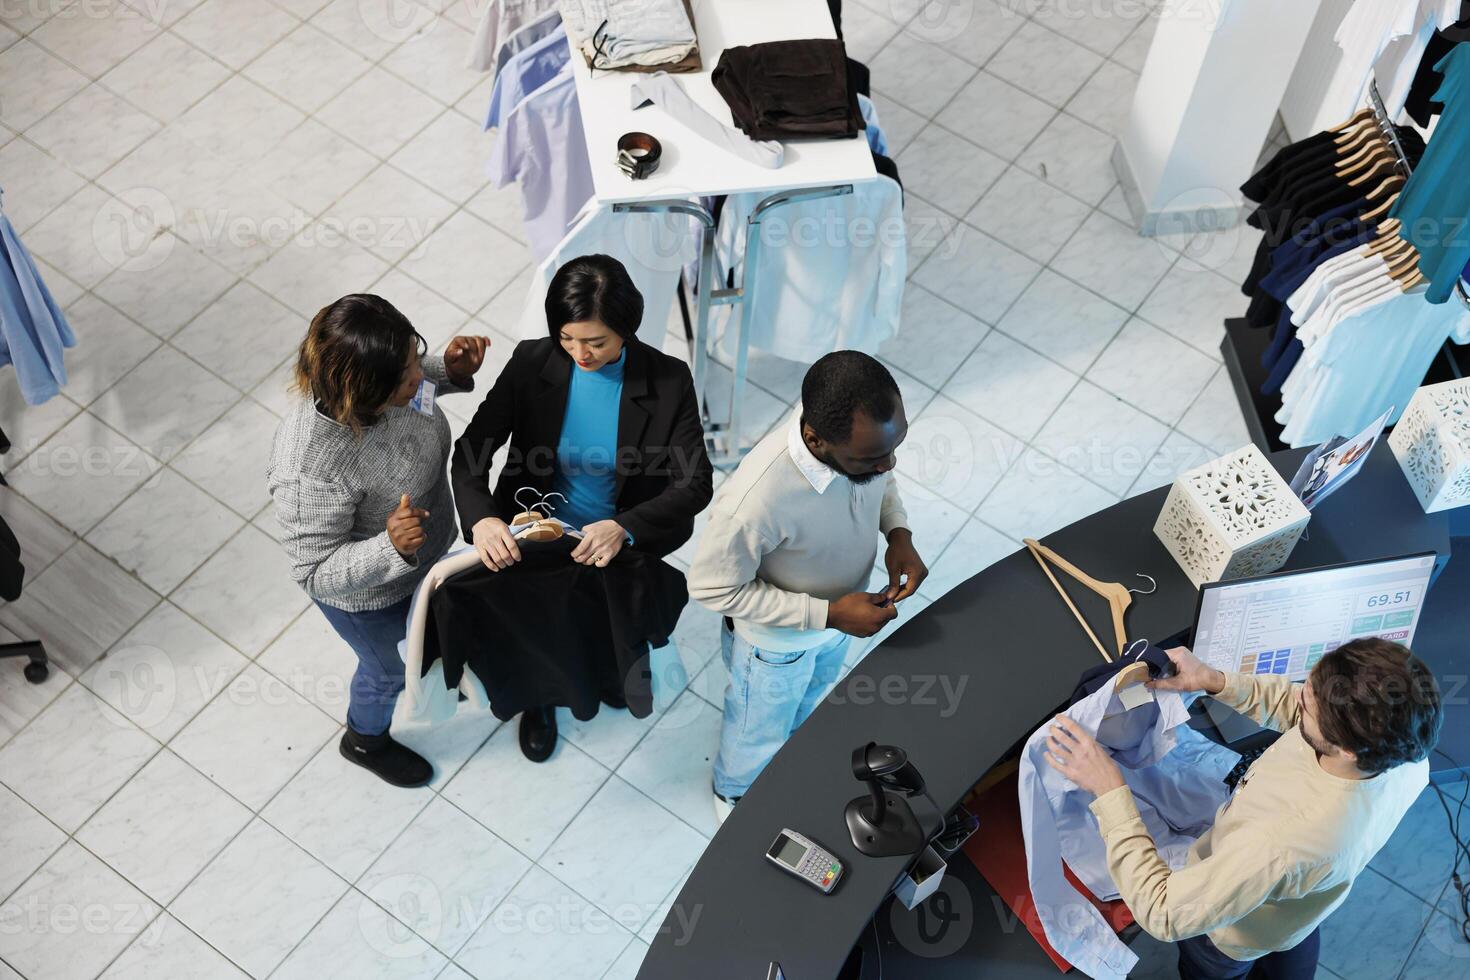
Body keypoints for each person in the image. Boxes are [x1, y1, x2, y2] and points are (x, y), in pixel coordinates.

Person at [1045, 637, 1442, 980]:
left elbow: (1164, 912)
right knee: (1290, 934)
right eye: (1310, 685)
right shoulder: (1406, 755)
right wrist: (1215, 680)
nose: (1298, 694)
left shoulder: (1280, 844)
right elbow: (1295, 708)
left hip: (1231, 934)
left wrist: (1109, 790)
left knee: (1213, 967)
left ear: (1346, 749)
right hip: (1293, 907)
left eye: (1309, 705)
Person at [451, 253, 712, 761]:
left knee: (609, 625)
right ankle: (541, 702)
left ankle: (611, 677)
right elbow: (470, 452)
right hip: (535, 532)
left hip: (613, 540)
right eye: (568, 339)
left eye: (596, 342)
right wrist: (483, 518)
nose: (580, 353)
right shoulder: (533, 362)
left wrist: (625, 526)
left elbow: (695, 482)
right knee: (539, 629)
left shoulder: (667, 379)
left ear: (627, 329)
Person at [688, 351, 928, 823]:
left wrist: (898, 533)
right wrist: (830, 614)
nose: (889, 463)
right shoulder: (754, 502)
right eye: (872, 458)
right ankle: (733, 794)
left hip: (840, 623)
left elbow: (883, 482)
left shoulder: (858, 446)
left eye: (894, 448)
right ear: (816, 441)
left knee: (812, 703)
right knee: (755, 730)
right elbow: (713, 589)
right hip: (776, 647)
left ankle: (795, 755)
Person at [267, 294, 492, 788]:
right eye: (408, 375)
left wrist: (449, 371)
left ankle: (435, 666)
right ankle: (364, 740)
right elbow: (313, 571)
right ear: (365, 391)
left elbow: (420, 378)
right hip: (372, 598)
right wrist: (388, 547)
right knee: (387, 671)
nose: (419, 379)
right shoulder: (310, 466)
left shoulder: (395, 383)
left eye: (416, 359)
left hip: (429, 557)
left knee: (435, 638)